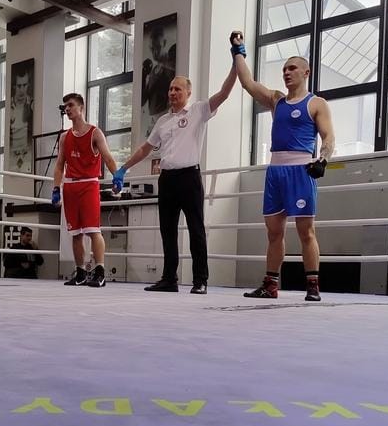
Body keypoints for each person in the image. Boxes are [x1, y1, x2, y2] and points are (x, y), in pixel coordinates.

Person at [113, 64, 238, 295]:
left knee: (196, 229)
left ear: (188, 92)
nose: (172, 92)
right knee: (167, 231)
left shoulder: (198, 111)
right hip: (167, 179)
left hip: (189, 177)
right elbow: (145, 149)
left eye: (177, 89)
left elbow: (224, 93)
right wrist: (123, 168)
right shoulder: (162, 121)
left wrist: (235, 65)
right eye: (170, 89)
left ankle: (200, 280)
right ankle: (169, 279)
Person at [229, 30, 335, 301]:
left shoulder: (316, 103)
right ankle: (270, 285)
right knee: (273, 232)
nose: (287, 73)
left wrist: (323, 160)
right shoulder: (277, 100)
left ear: (306, 72)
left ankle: (313, 286)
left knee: (306, 231)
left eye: (292, 68)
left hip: (301, 171)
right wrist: (238, 51)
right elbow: (248, 83)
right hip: (275, 171)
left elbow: (328, 137)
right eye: (284, 69)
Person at [51, 92, 120, 288]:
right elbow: (59, 165)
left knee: (93, 230)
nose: (67, 109)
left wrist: (117, 177)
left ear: (81, 108)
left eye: (71, 105)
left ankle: (100, 272)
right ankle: (80, 272)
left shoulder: (95, 133)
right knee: (75, 233)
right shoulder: (64, 137)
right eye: (66, 106)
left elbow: (108, 157)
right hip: (70, 186)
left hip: (89, 184)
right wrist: (56, 187)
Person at [141, 24, 177, 136]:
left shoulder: (172, 67)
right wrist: (143, 76)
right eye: (152, 48)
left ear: (164, 43)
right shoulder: (153, 71)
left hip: (166, 117)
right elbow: (143, 100)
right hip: (153, 119)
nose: (154, 52)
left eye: (157, 47)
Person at [9, 68, 34, 171]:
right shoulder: (9, 108)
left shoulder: (32, 105)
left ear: (28, 85)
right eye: (19, 86)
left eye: (25, 85)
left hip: (27, 156)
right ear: (14, 86)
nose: (22, 89)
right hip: (12, 156)